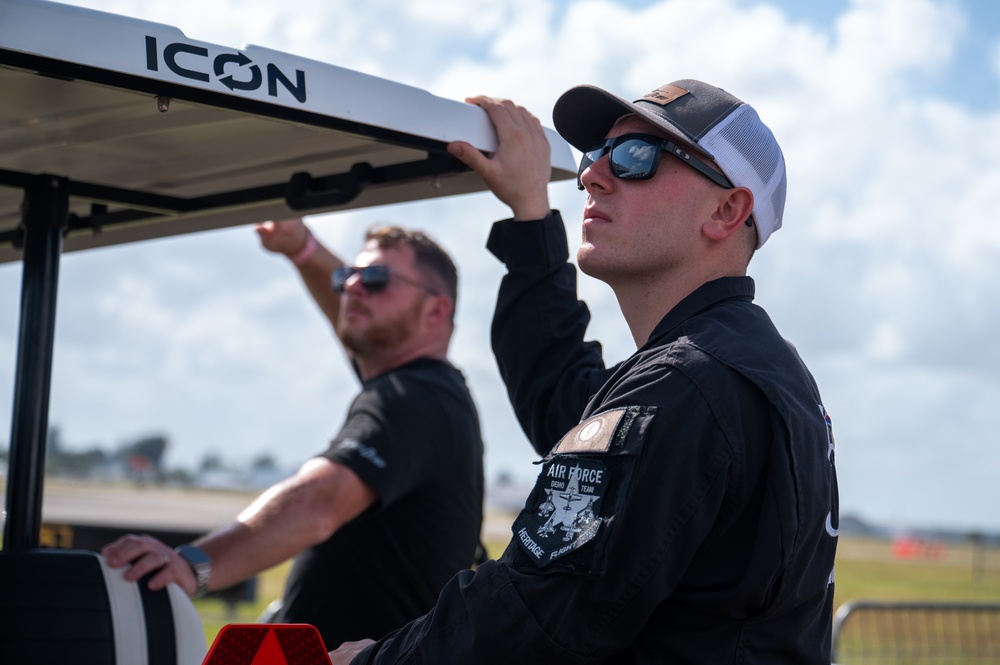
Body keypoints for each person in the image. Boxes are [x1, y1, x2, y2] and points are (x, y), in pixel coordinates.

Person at [329, 79, 839, 664]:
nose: (594, 176)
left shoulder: (689, 383)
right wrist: (530, 218)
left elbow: (529, 618)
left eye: (637, 157)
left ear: (728, 210)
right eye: (597, 156)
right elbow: (565, 398)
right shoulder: (738, 367)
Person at [102, 220, 485, 650]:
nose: (352, 289)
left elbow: (317, 502)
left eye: (376, 279)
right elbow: (359, 316)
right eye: (347, 277)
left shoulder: (412, 400)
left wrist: (192, 565)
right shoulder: (428, 392)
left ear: (436, 311)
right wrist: (304, 250)